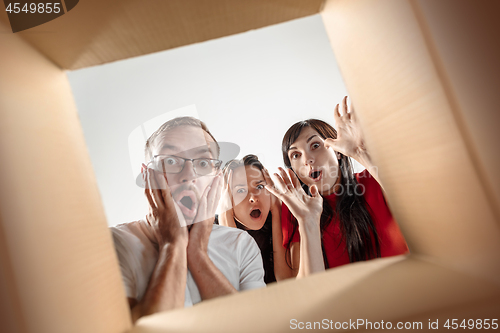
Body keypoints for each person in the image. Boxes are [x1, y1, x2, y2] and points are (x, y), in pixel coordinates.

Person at [110, 117, 265, 322]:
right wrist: (173, 245)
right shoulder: (114, 244)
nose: (188, 175)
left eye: (202, 162)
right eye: (171, 161)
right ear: (148, 176)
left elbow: (257, 326)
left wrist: (198, 253)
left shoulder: (241, 245)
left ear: (216, 178)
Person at [264, 96, 409, 278]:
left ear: (338, 151)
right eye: (295, 155)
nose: (307, 159)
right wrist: (307, 220)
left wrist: (361, 153)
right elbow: (302, 288)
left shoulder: (373, 180)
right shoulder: (295, 209)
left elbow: (423, 210)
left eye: (315, 145)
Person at [218, 155, 294, 283]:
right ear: (226, 197)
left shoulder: (284, 220)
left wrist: (277, 209)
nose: (253, 198)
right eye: (241, 190)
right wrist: (225, 217)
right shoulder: (210, 233)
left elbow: (286, 281)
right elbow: (234, 286)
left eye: (259, 187)